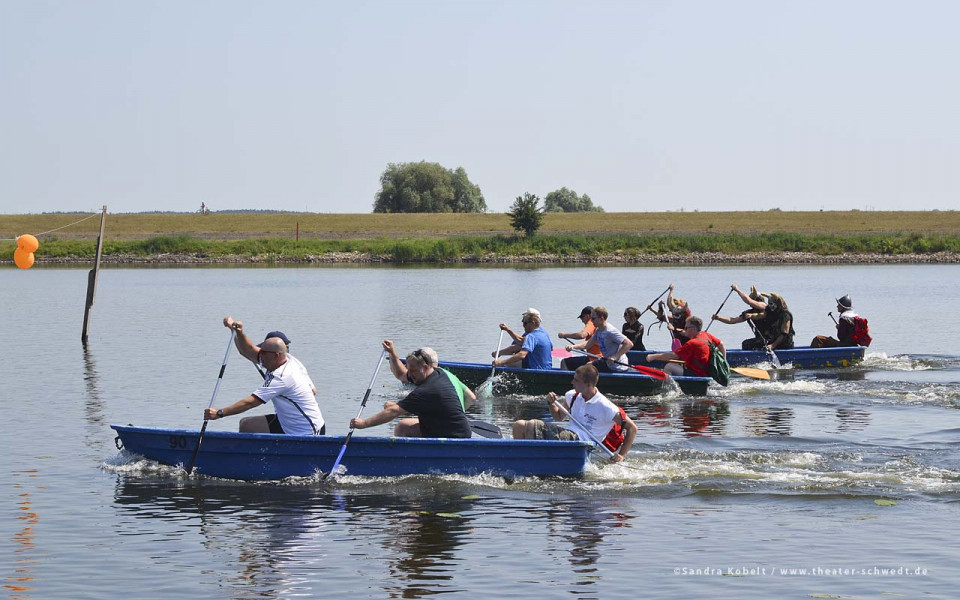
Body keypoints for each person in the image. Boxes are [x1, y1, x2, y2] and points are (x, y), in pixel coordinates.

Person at [206, 318, 324, 435]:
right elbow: (248, 350)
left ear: (276, 355)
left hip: (306, 431)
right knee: (247, 425)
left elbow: (250, 403)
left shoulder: (283, 377)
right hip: (286, 421)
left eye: (263, 353)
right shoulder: (287, 359)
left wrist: (219, 413)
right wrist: (238, 332)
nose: (259, 355)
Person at [512, 364, 637, 463]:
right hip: (568, 436)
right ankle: (524, 461)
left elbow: (632, 428)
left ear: (588, 385)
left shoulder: (606, 406)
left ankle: (528, 459)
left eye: (576, 380)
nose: (572, 382)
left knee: (532, 424)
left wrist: (621, 455)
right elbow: (559, 417)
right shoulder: (572, 395)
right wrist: (551, 404)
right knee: (519, 425)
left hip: (582, 442)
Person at [351, 347, 472, 438]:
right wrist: (393, 353)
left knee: (402, 427)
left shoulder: (425, 391)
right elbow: (401, 374)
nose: (410, 375)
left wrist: (364, 423)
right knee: (396, 410)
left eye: (412, 371)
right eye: (409, 370)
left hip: (452, 437)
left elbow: (393, 412)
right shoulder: (438, 373)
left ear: (425, 367)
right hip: (458, 429)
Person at [382, 339, 476, 410]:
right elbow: (472, 398)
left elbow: (401, 375)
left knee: (396, 416)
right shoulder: (447, 375)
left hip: (442, 420)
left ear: (425, 366)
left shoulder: (429, 378)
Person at [644, 316, 726, 377]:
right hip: (706, 372)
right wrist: (724, 362)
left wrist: (653, 356)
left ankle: (669, 389)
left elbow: (673, 356)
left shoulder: (692, 343)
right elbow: (721, 344)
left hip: (696, 374)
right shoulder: (706, 335)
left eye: (686, 328)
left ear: (693, 329)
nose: (684, 329)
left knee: (669, 366)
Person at [565, 306, 633, 373]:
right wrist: (573, 347)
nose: (591, 321)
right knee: (588, 366)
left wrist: (615, 357)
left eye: (593, 318)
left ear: (601, 318)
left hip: (618, 366)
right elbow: (588, 344)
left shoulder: (610, 331)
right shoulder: (598, 330)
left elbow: (629, 344)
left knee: (587, 369)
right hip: (607, 363)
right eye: (591, 318)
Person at [557, 305, 601, 370]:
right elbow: (588, 343)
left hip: (594, 358)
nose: (582, 321)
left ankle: (565, 380)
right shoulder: (597, 325)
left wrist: (564, 334)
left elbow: (582, 335)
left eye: (582, 318)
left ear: (587, 316)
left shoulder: (591, 323)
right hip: (596, 356)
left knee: (564, 362)